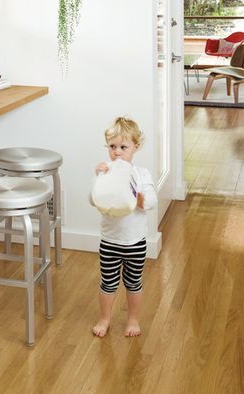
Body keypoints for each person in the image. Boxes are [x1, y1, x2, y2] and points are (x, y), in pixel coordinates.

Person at [90, 116, 157, 338]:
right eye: (112, 147)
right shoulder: (106, 171)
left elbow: (151, 201)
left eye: (123, 147)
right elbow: (93, 199)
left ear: (135, 147)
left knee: (133, 282)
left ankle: (132, 319)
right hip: (110, 241)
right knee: (107, 283)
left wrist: (138, 199)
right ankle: (105, 318)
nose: (117, 152)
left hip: (135, 241)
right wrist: (98, 176)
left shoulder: (141, 174)